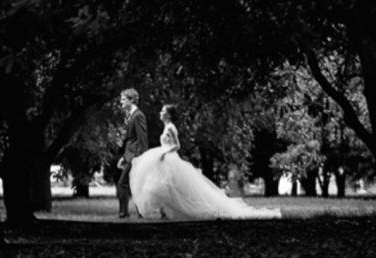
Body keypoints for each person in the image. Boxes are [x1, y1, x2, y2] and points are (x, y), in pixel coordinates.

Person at [129, 104, 282, 220]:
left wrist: (164, 152)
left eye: (163, 111)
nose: (160, 113)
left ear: (168, 115)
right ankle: (165, 213)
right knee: (165, 186)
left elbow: (177, 145)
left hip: (169, 159)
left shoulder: (170, 128)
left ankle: (175, 212)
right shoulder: (167, 127)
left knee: (171, 186)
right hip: (164, 159)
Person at [115, 88, 148, 218]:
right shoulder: (131, 115)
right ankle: (139, 212)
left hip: (136, 156)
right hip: (130, 155)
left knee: (122, 183)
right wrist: (124, 157)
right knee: (135, 184)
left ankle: (124, 213)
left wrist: (141, 158)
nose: (121, 102)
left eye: (123, 99)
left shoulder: (138, 115)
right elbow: (131, 140)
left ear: (132, 100)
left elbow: (142, 139)